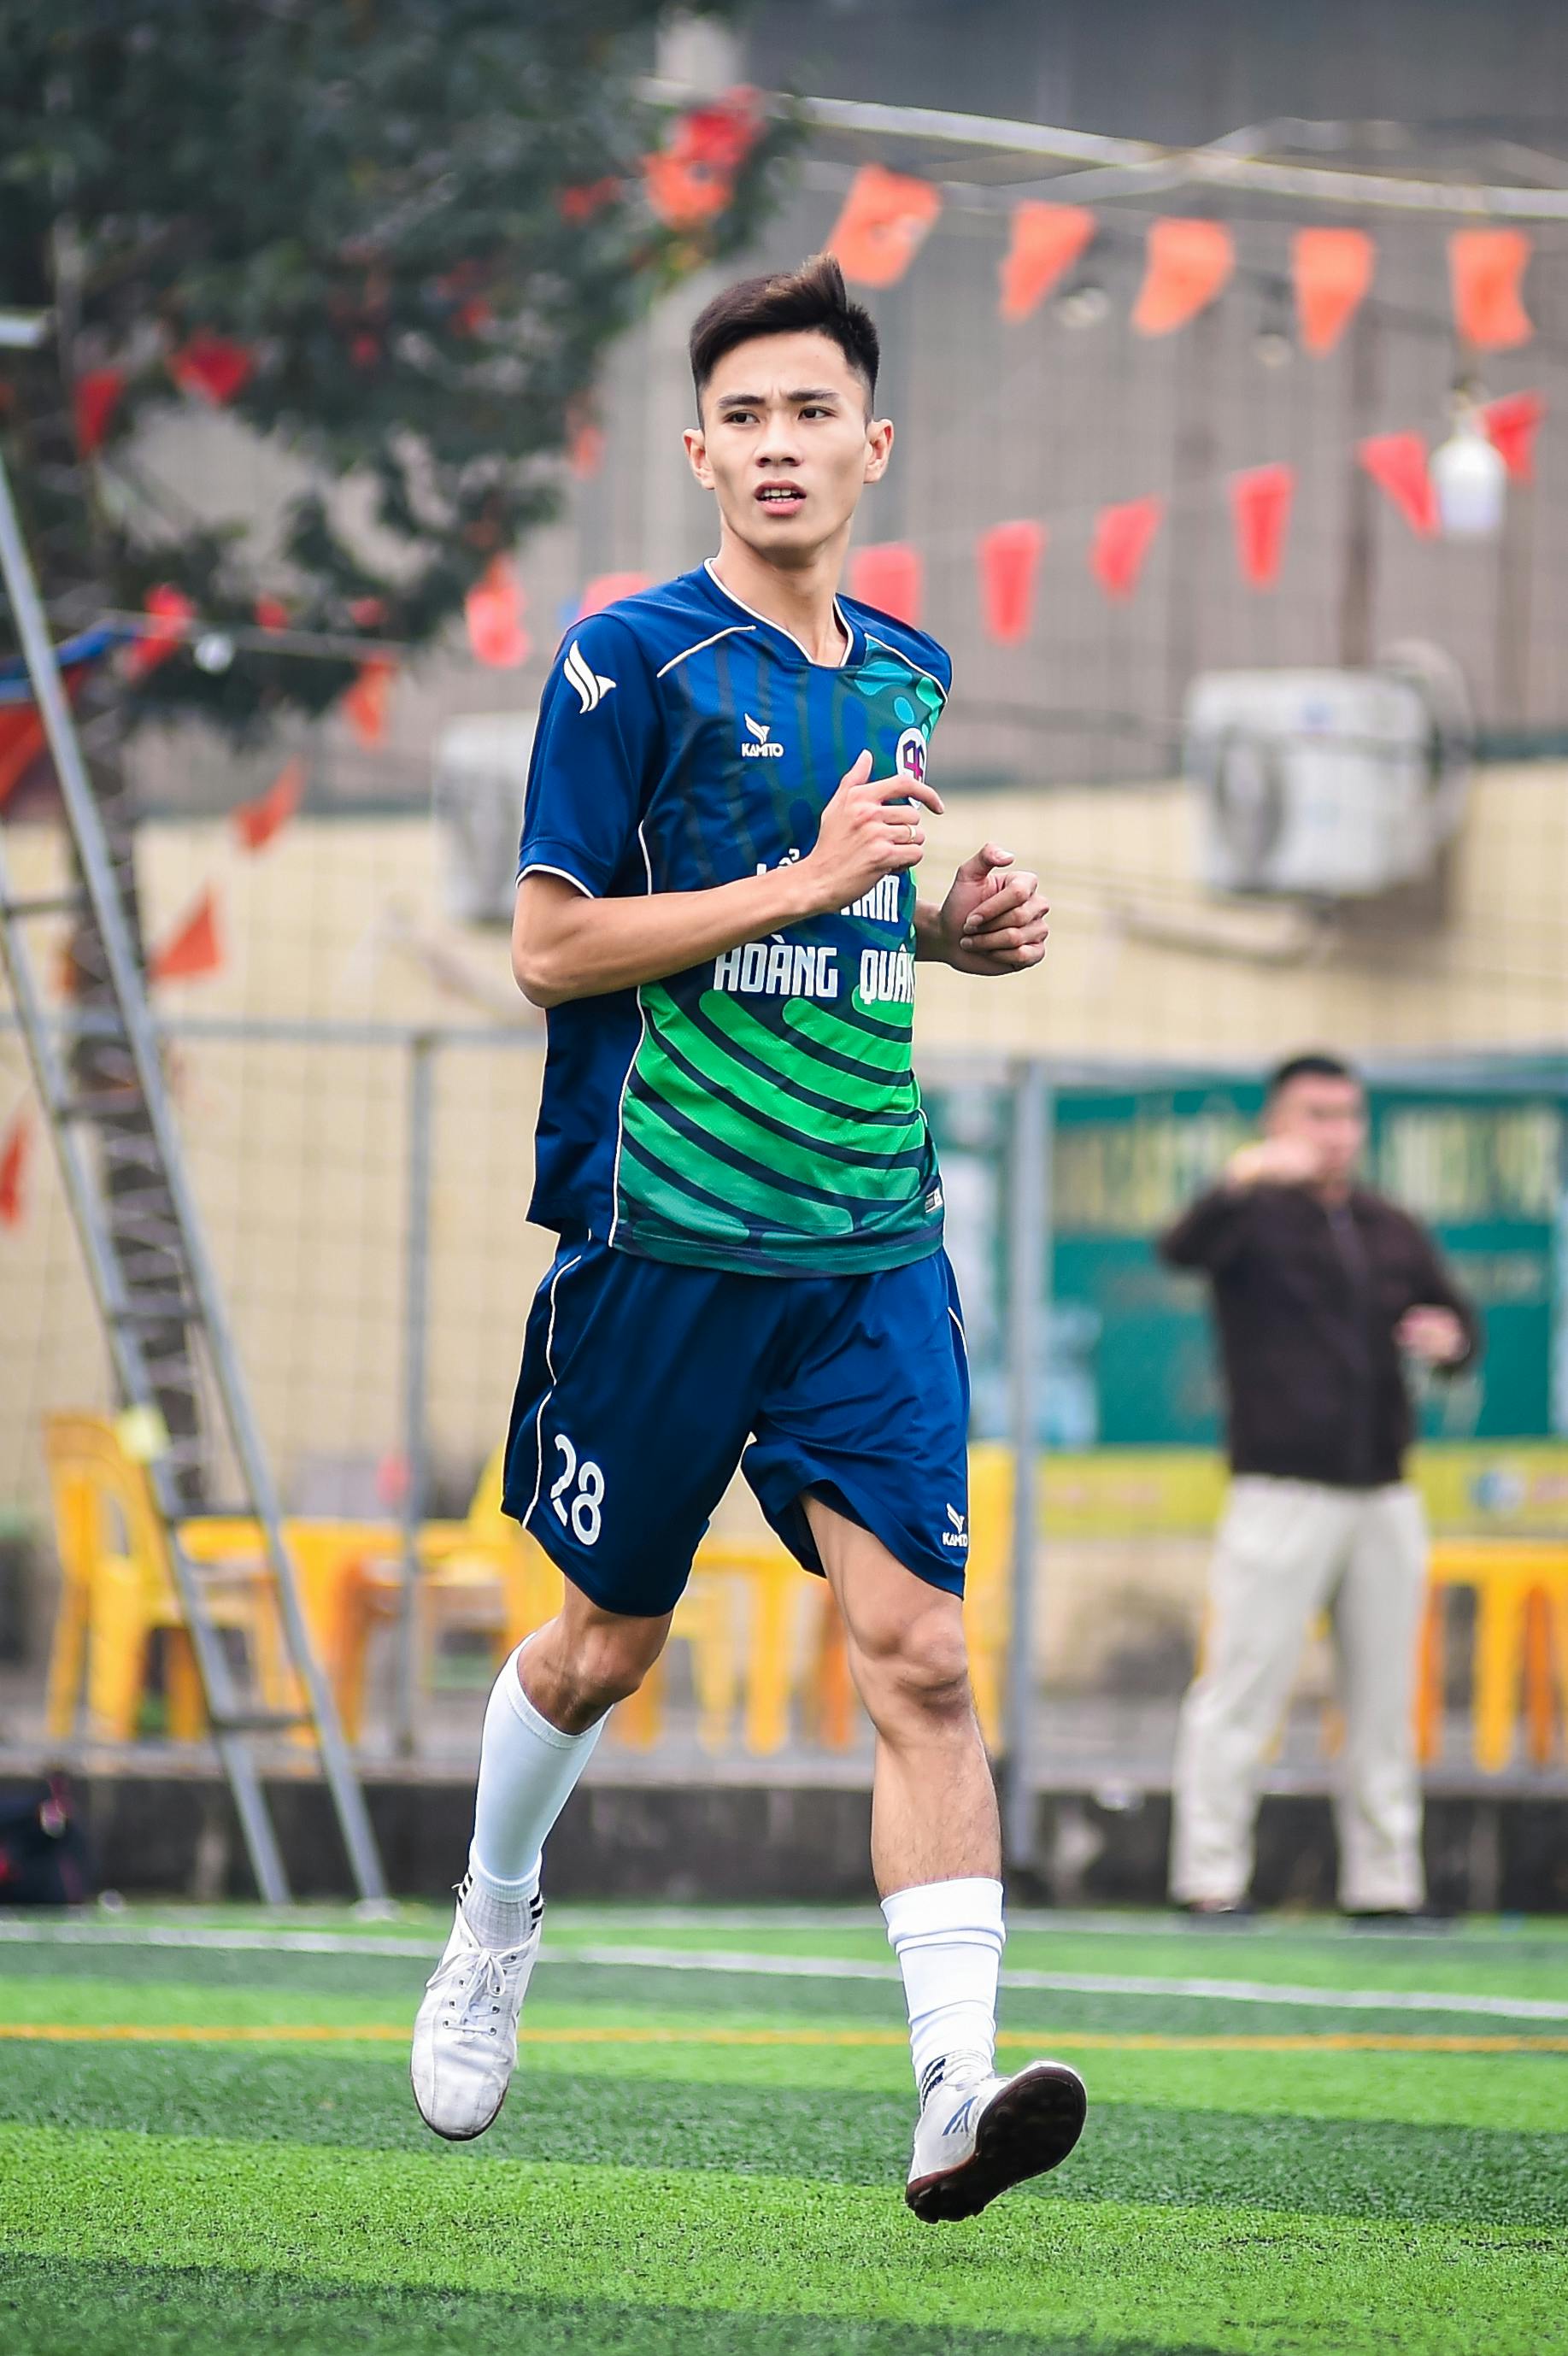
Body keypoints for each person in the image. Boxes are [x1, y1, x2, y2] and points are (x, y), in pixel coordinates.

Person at [409, 255, 1084, 2219]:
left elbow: (823, 925)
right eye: (749, 417)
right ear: (697, 447)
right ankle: (495, 1908)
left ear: (875, 447)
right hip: (664, 1234)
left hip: (869, 1238)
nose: (782, 446)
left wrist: (934, 927)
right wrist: (811, 873)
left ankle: (955, 2085)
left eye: (817, 413)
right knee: (605, 1641)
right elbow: (549, 946)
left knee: (926, 1655)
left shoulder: (904, 670)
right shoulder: (630, 662)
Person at [1160, 1052, 1479, 1919]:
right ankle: (1209, 1880)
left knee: (1383, 1702)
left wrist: (1448, 1340)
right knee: (1239, 1688)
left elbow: (1457, 1323)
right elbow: (1178, 1248)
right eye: (1314, 1115)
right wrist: (1242, 1175)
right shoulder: (1249, 1213)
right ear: (1275, 1123)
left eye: (1346, 1116)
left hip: (1382, 1493)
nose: (1334, 1133)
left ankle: (1384, 1886)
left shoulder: (1386, 1223)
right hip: (1277, 1491)